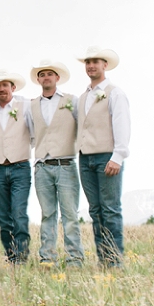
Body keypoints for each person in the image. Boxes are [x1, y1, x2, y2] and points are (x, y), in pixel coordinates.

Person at [77, 46, 131, 268]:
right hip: (85, 159)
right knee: (95, 210)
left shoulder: (115, 93)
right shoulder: (83, 97)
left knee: (110, 209)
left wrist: (118, 156)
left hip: (107, 157)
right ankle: (103, 259)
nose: (91, 66)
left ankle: (114, 262)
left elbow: (122, 124)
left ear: (105, 65)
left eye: (95, 62)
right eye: (88, 62)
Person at [28, 61, 84, 267]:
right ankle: (47, 258)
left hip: (66, 164)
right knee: (47, 214)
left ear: (57, 78)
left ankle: (74, 259)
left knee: (70, 214)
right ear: (38, 79)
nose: (46, 77)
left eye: (50, 74)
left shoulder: (72, 100)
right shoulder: (32, 105)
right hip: (42, 166)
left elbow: (82, 126)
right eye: (42, 74)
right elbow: (31, 134)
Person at [0, 70, 34, 265]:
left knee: (19, 213)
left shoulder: (25, 105)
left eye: (5, 85)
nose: (1, 89)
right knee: (3, 217)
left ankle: (21, 256)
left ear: (13, 87)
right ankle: (11, 254)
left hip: (20, 167)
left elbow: (35, 131)